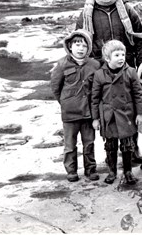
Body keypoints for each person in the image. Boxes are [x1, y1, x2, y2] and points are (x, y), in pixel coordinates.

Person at [75, 0, 142, 163]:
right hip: (101, 70)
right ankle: (111, 153)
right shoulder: (86, 13)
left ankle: (132, 149)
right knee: (107, 111)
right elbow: (80, 43)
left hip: (126, 66)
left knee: (129, 108)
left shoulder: (127, 9)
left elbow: (140, 38)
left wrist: (141, 66)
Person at [91, 40, 142, 185]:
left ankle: (128, 171)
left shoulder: (131, 72)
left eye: (123, 54)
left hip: (127, 114)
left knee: (128, 145)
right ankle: (112, 171)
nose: (121, 57)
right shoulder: (99, 75)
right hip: (109, 116)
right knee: (110, 145)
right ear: (107, 58)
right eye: (117, 55)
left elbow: (138, 94)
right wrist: (95, 118)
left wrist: (140, 113)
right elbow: (95, 99)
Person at [50, 29, 101, 182]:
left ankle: (90, 169)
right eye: (77, 45)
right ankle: (71, 171)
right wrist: (66, 102)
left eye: (84, 46)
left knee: (89, 143)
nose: (80, 48)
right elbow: (55, 87)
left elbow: (98, 88)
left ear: (88, 49)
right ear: (70, 47)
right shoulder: (61, 64)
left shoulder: (95, 65)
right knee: (70, 145)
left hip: (88, 113)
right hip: (69, 114)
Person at [75, 0, 142, 69]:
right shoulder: (87, 12)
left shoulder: (127, 9)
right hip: (99, 66)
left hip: (126, 64)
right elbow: (78, 43)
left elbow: (140, 39)